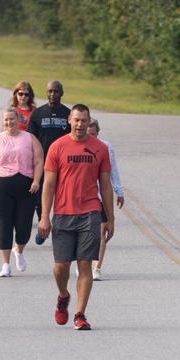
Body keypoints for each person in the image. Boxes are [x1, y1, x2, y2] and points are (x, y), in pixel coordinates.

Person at [37, 104, 114, 330]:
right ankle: (63, 297)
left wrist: (110, 219)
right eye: (77, 120)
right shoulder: (57, 147)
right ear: (69, 120)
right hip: (63, 213)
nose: (80, 125)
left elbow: (106, 185)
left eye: (84, 121)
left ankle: (80, 314)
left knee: (85, 265)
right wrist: (44, 216)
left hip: (90, 213)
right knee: (60, 267)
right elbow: (48, 184)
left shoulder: (99, 148)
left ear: (89, 122)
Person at [0, 109, 44, 276]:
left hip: (26, 186)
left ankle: (18, 250)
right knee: (5, 225)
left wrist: (36, 181)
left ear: (18, 119)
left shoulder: (30, 138)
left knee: (23, 227)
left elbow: (39, 161)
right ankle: (5, 264)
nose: (9, 123)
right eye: (6, 120)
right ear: (2, 121)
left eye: (12, 119)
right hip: (0, 186)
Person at [26, 80, 72, 244]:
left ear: (62, 93)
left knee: (63, 195)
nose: (53, 94)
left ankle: (61, 227)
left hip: (65, 164)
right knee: (41, 196)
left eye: (56, 91)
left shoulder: (68, 114)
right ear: (46, 93)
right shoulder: (38, 114)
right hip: (43, 163)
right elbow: (31, 139)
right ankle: (43, 225)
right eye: (50, 91)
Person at [90, 118, 125, 280]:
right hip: (85, 196)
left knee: (101, 231)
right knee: (85, 232)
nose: (91, 138)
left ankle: (97, 267)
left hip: (101, 195)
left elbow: (113, 171)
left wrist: (119, 191)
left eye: (94, 134)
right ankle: (83, 264)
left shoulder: (105, 147)